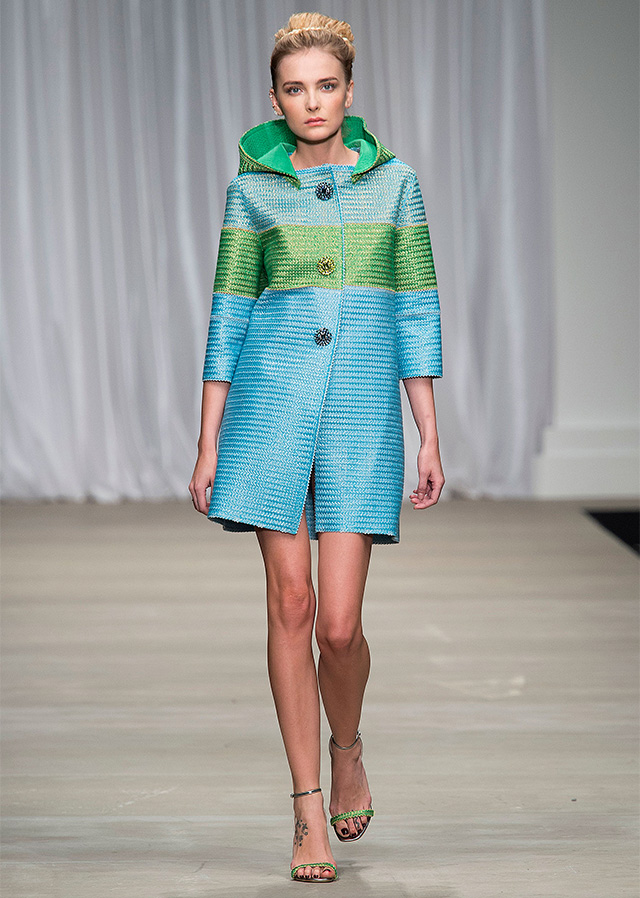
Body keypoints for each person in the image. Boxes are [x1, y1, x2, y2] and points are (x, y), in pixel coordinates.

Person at [189, 11, 444, 883]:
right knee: (290, 605)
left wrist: (429, 431)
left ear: (348, 90)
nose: (312, 102)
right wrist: (208, 441)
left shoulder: (397, 185)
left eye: (326, 85)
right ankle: (306, 809)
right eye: (295, 89)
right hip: (267, 407)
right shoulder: (251, 192)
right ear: (275, 99)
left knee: (339, 627)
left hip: (362, 412)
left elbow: (416, 306)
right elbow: (227, 315)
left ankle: (348, 747)